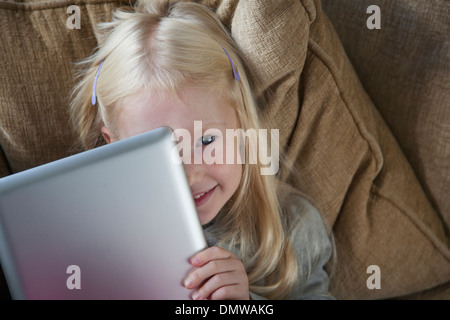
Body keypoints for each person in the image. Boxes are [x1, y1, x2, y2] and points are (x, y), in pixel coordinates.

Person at [69, 0, 334, 300]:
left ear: (240, 124)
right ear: (115, 147)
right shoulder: (100, 234)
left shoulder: (294, 228)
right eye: (163, 153)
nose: (190, 175)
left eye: (207, 141)